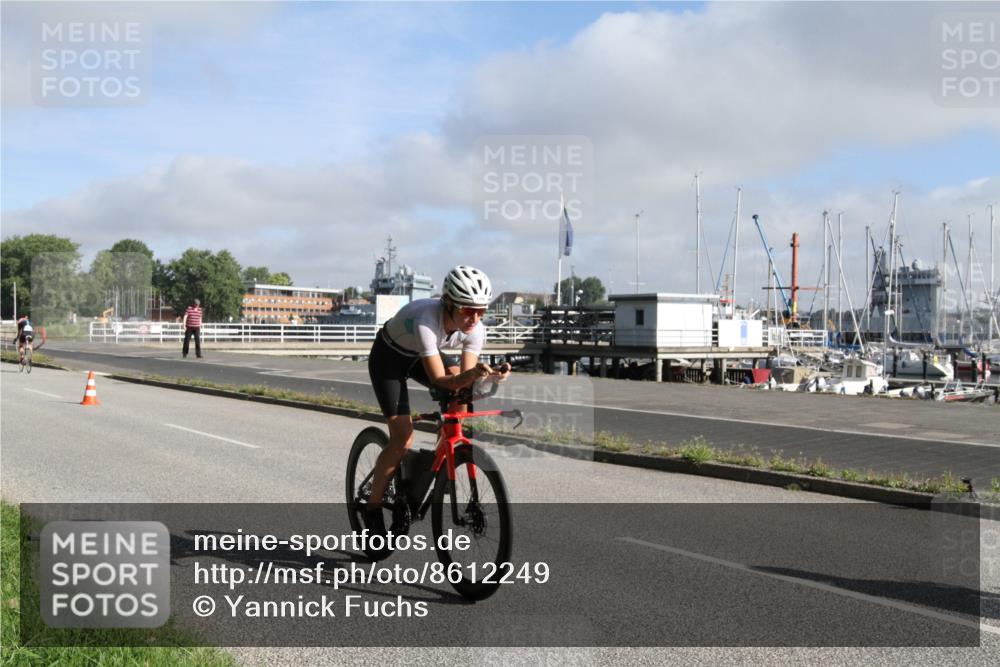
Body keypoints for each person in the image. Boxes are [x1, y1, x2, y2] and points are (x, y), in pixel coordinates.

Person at [364, 265, 510, 554]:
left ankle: (443, 457)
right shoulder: (425, 320)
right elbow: (440, 381)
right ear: (449, 303)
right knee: (403, 436)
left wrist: (488, 379)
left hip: (419, 353)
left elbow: (465, 382)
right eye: (468, 310)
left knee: (461, 395)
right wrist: (467, 379)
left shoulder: (475, 328)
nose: (475, 318)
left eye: (481, 311)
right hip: (389, 359)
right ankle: (372, 508)